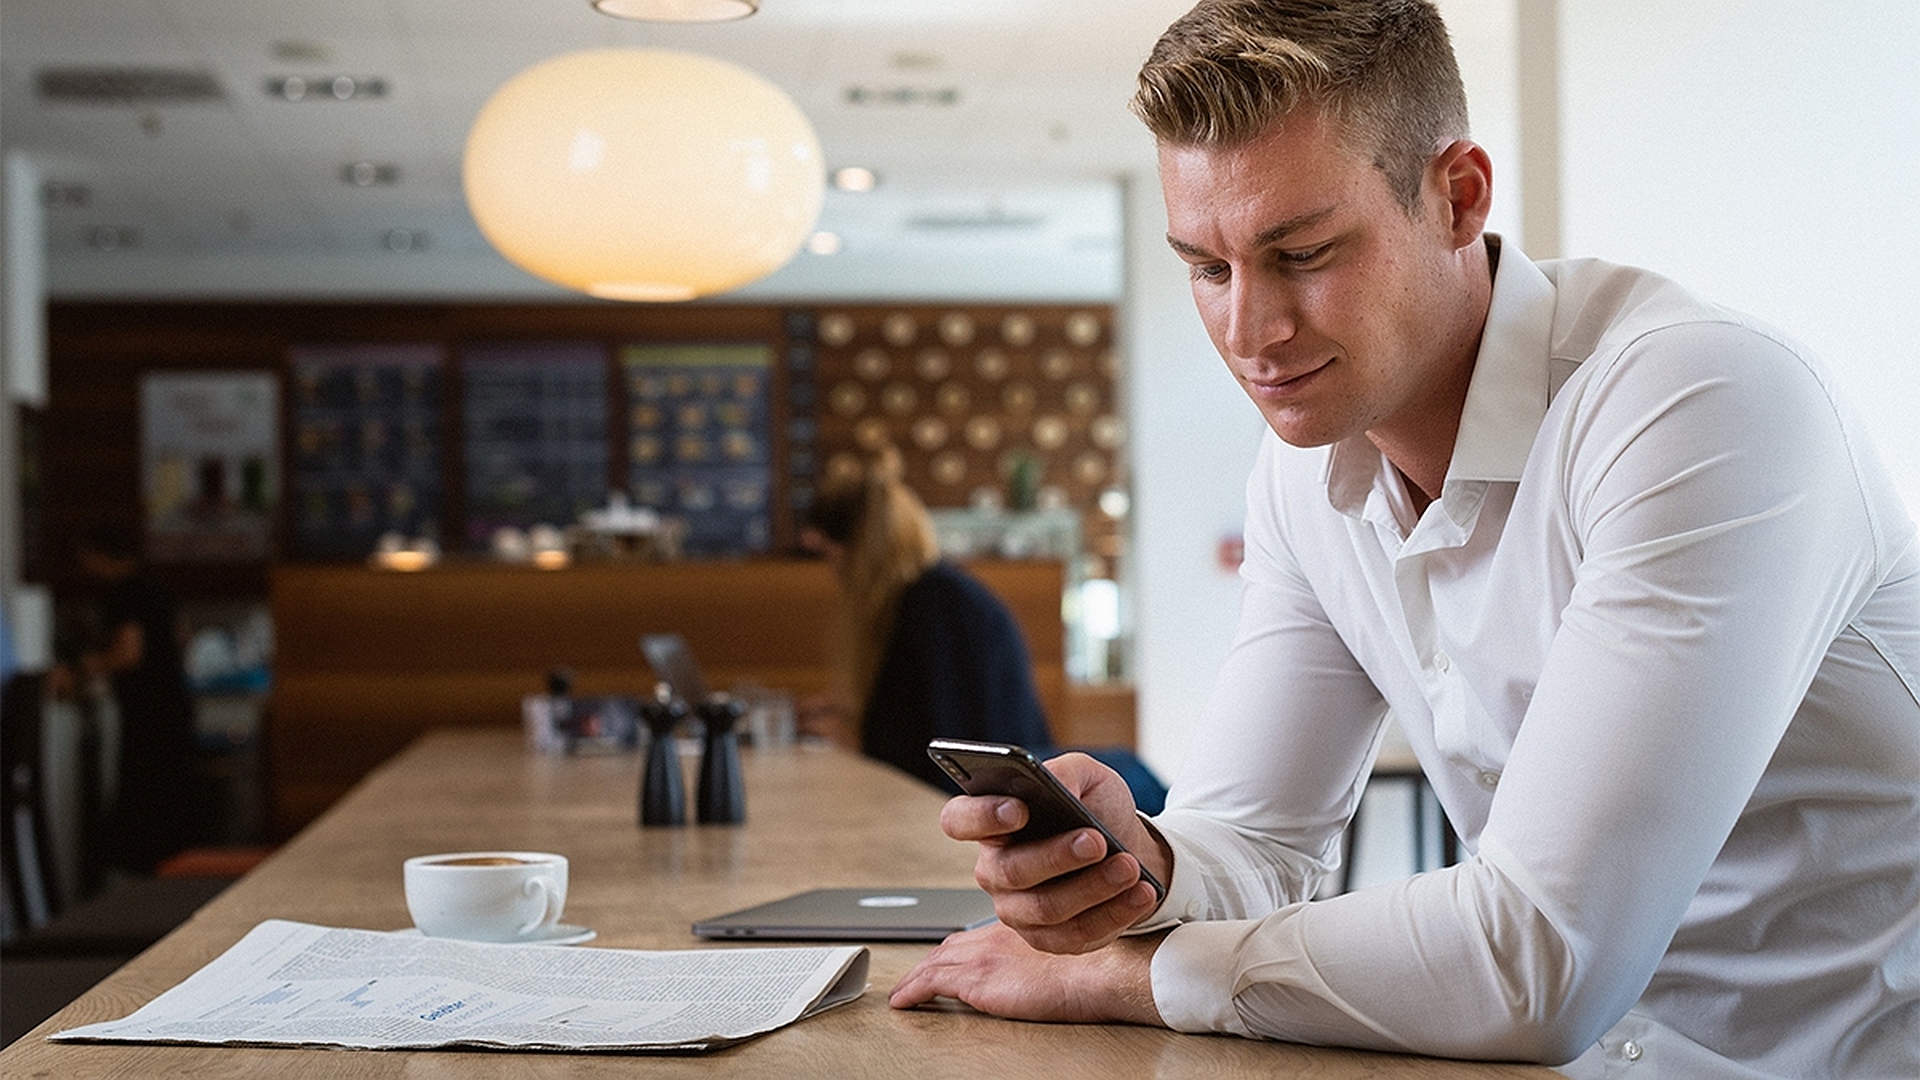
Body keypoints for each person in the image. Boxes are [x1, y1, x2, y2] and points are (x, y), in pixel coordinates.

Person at [889, 3, 1919, 1077]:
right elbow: (1259, 840)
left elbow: (1537, 965)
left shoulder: (1699, 403)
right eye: (1208, 267)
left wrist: (1128, 976)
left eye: (1303, 253)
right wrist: (1142, 863)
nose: (1251, 334)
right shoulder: (1303, 473)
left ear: (1458, 196)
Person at [799, 449, 1166, 812]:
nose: (836, 576)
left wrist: (852, 733)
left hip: (999, 809)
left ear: (859, 550)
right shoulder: (933, 595)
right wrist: (849, 712)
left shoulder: (934, 604)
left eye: (832, 557)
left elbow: (940, 750)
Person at [53, 525, 210, 875]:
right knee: (174, 796)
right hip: (175, 704)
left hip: (146, 713)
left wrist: (77, 673)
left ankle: (148, 878)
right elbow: (183, 636)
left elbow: (127, 653)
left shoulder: (121, 593)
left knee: (145, 797)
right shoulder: (157, 586)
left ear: (99, 554)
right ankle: (177, 873)